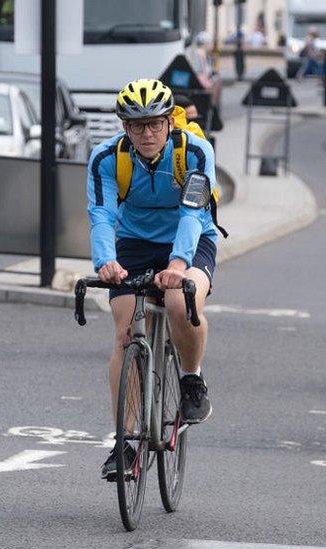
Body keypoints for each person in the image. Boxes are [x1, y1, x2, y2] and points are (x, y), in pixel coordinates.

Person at [87, 79, 220, 480]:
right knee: (125, 330)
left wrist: (178, 265)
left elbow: (193, 213)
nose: (147, 133)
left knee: (183, 302)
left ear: (169, 122)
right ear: (125, 127)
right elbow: (102, 215)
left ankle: (191, 379)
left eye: (155, 124)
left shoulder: (195, 150)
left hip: (192, 239)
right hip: (134, 242)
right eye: (137, 125)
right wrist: (105, 262)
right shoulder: (106, 157)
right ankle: (125, 443)